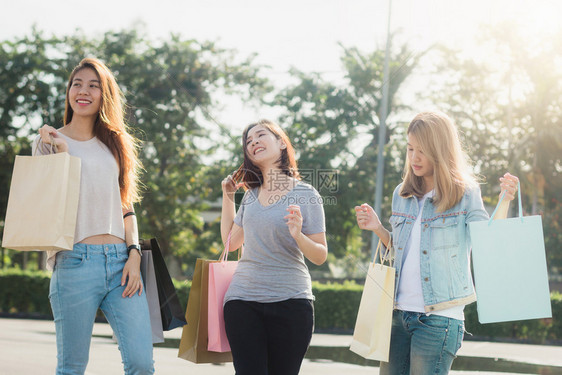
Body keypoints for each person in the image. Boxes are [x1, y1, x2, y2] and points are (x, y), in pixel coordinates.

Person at [355, 111, 518, 374]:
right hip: (398, 314)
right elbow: (400, 250)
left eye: (423, 150)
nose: (414, 157)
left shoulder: (465, 193)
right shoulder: (402, 193)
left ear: (441, 151)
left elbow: (489, 240)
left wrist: (505, 200)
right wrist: (378, 228)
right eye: (410, 149)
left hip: (440, 318)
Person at [33, 58, 154, 375]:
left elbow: (126, 207)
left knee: (142, 364)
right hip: (75, 261)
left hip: (122, 264)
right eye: (77, 84)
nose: (83, 91)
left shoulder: (115, 143)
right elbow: (45, 202)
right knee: (72, 367)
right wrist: (59, 153)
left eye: (93, 85)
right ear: (68, 92)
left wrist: (134, 254)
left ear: (104, 95)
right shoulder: (49, 141)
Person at [220, 119, 328, 375]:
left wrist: (298, 235)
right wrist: (228, 197)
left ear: (281, 143)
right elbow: (231, 242)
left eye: (260, 135)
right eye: (248, 141)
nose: (253, 141)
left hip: (292, 302)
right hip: (242, 300)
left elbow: (320, 255)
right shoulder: (250, 196)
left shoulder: (306, 194)